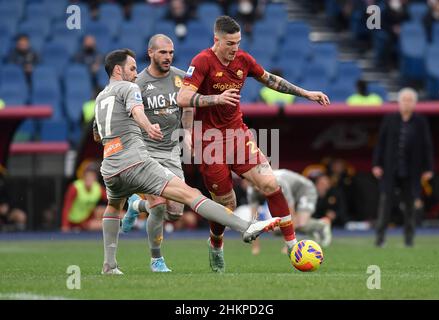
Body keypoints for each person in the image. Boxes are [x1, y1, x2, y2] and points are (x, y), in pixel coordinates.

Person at [94, 48, 280, 275]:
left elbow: (97, 135)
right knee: (192, 195)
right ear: (117, 69)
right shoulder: (130, 87)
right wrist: (147, 126)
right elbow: (136, 111)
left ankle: (109, 265)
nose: (135, 73)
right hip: (136, 162)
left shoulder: (100, 98)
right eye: (132, 68)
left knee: (114, 207)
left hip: (110, 167)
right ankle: (246, 227)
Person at [177, 15, 330, 273]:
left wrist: (305, 93)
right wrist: (213, 102)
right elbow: (183, 97)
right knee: (227, 205)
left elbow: (271, 80)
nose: (234, 47)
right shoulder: (201, 61)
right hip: (209, 142)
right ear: (216, 40)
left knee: (271, 184)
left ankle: (293, 246)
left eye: (237, 42)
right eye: (229, 43)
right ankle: (216, 244)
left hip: (238, 136)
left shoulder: (243, 60)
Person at [120, 34, 194, 272]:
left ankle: (135, 206)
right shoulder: (138, 83)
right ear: (150, 52)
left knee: (175, 212)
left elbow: (189, 105)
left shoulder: (182, 78)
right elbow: (126, 113)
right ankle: (156, 259)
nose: (168, 57)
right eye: (163, 52)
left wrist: (189, 132)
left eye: (171, 53)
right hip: (146, 151)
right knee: (160, 206)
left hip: (171, 151)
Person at [372, 88, 434, 247]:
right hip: (390, 169)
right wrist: (377, 164)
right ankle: (380, 239)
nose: (406, 103)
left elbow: (427, 146)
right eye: (404, 100)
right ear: (399, 102)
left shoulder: (420, 122)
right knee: (385, 205)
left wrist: (428, 168)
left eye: (410, 100)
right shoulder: (389, 119)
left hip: (411, 171)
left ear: (414, 103)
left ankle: (409, 240)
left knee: (410, 207)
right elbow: (380, 144)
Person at [247, 169, 332, 255]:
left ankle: (322, 224)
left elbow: (290, 214)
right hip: (292, 192)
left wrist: (289, 245)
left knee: (300, 224)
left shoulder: (277, 183)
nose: (257, 189)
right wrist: (255, 247)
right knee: (276, 229)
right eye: (254, 186)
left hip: (305, 190)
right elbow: (254, 220)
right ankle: (312, 231)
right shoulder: (252, 190)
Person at [61, 163, 107, 232]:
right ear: (83, 176)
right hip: (75, 221)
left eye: (92, 176)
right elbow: (67, 207)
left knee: (116, 213)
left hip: (87, 219)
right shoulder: (75, 187)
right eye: (87, 176)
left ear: (95, 178)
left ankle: (121, 226)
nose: (89, 178)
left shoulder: (98, 188)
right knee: (103, 225)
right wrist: (65, 225)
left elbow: (112, 200)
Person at [0, 166, 27, 232]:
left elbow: (12, 200)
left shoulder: (7, 184)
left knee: (21, 216)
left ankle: (17, 236)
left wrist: (7, 206)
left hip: (8, 212)